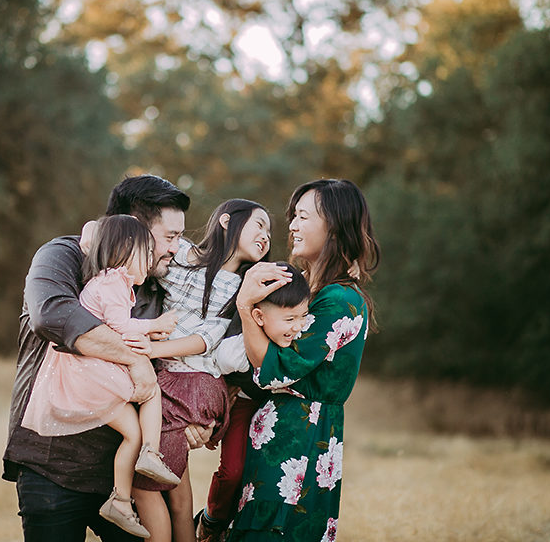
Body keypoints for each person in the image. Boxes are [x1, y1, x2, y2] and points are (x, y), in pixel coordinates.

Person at [2, 174, 194, 542]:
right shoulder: (63, 255)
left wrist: (200, 416)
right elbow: (54, 315)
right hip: (53, 466)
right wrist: (135, 360)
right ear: (133, 229)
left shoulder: (154, 281)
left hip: (128, 479)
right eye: (170, 237)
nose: (176, 248)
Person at [227, 179, 380, 542]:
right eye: (293, 216)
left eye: (303, 216)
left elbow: (276, 369)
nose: (292, 225)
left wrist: (245, 307)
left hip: (301, 445)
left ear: (335, 226)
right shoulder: (309, 293)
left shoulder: (339, 300)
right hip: (279, 439)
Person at [130, 199, 272, 542]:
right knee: (177, 492)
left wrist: (152, 348)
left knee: (145, 489)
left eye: (270, 231)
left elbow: (206, 339)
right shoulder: (183, 253)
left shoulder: (241, 286)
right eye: (260, 225)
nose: (267, 236)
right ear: (227, 221)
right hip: (185, 381)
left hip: (189, 382)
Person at [194, 263, 313, 542]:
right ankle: (212, 519)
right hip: (245, 405)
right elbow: (213, 378)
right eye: (288, 319)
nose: (297, 327)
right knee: (233, 470)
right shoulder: (234, 351)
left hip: (281, 408)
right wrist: (218, 414)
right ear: (258, 317)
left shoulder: (302, 339)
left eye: (303, 317)